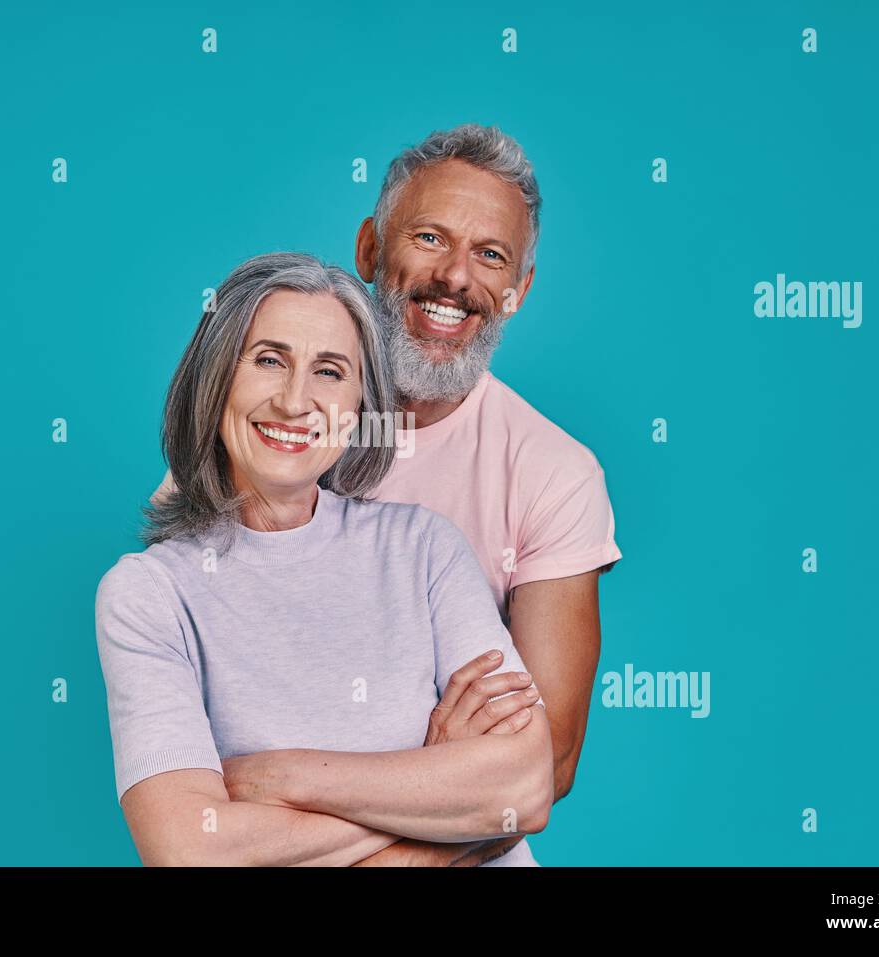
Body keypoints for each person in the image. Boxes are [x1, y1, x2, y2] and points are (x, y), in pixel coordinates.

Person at [156, 126, 623, 866]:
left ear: (518, 290)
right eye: (431, 237)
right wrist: (434, 770)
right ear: (371, 247)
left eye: (491, 255)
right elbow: (196, 742)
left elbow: (544, 766)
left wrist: (299, 788)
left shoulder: (553, 473)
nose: (456, 278)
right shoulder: (253, 433)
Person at [95, 252, 552, 866]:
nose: (294, 401)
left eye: (330, 371)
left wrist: (285, 780)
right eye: (268, 360)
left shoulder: (425, 549)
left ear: (362, 404)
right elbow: (190, 851)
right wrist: (434, 801)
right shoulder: (148, 595)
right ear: (214, 378)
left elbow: (522, 787)